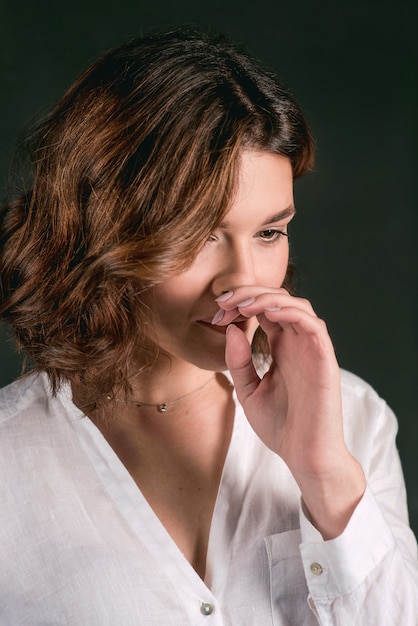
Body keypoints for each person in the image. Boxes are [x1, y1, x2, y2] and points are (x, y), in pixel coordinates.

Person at [0, 27, 417, 626]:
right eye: (197, 235)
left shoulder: (354, 420)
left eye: (269, 232)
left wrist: (325, 476)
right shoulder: (12, 460)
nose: (241, 282)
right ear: (102, 228)